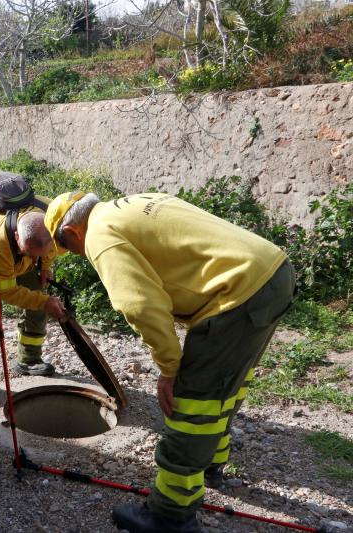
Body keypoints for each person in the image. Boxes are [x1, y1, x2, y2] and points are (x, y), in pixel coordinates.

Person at [44, 191, 295, 533]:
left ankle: (169, 515)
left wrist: (170, 370)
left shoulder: (100, 234)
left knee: (192, 404)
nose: (80, 254)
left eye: (71, 248)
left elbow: (140, 306)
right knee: (225, 383)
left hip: (237, 293)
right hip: (271, 273)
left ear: (73, 233)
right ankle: (209, 464)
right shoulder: (133, 203)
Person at [0, 206, 67, 404]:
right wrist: (45, 302)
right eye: (32, 254)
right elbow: (6, 292)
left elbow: (48, 250)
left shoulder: (50, 221)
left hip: (20, 253)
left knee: (37, 296)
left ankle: (29, 359)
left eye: (37, 256)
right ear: (17, 236)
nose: (34, 259)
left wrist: (43, 266)